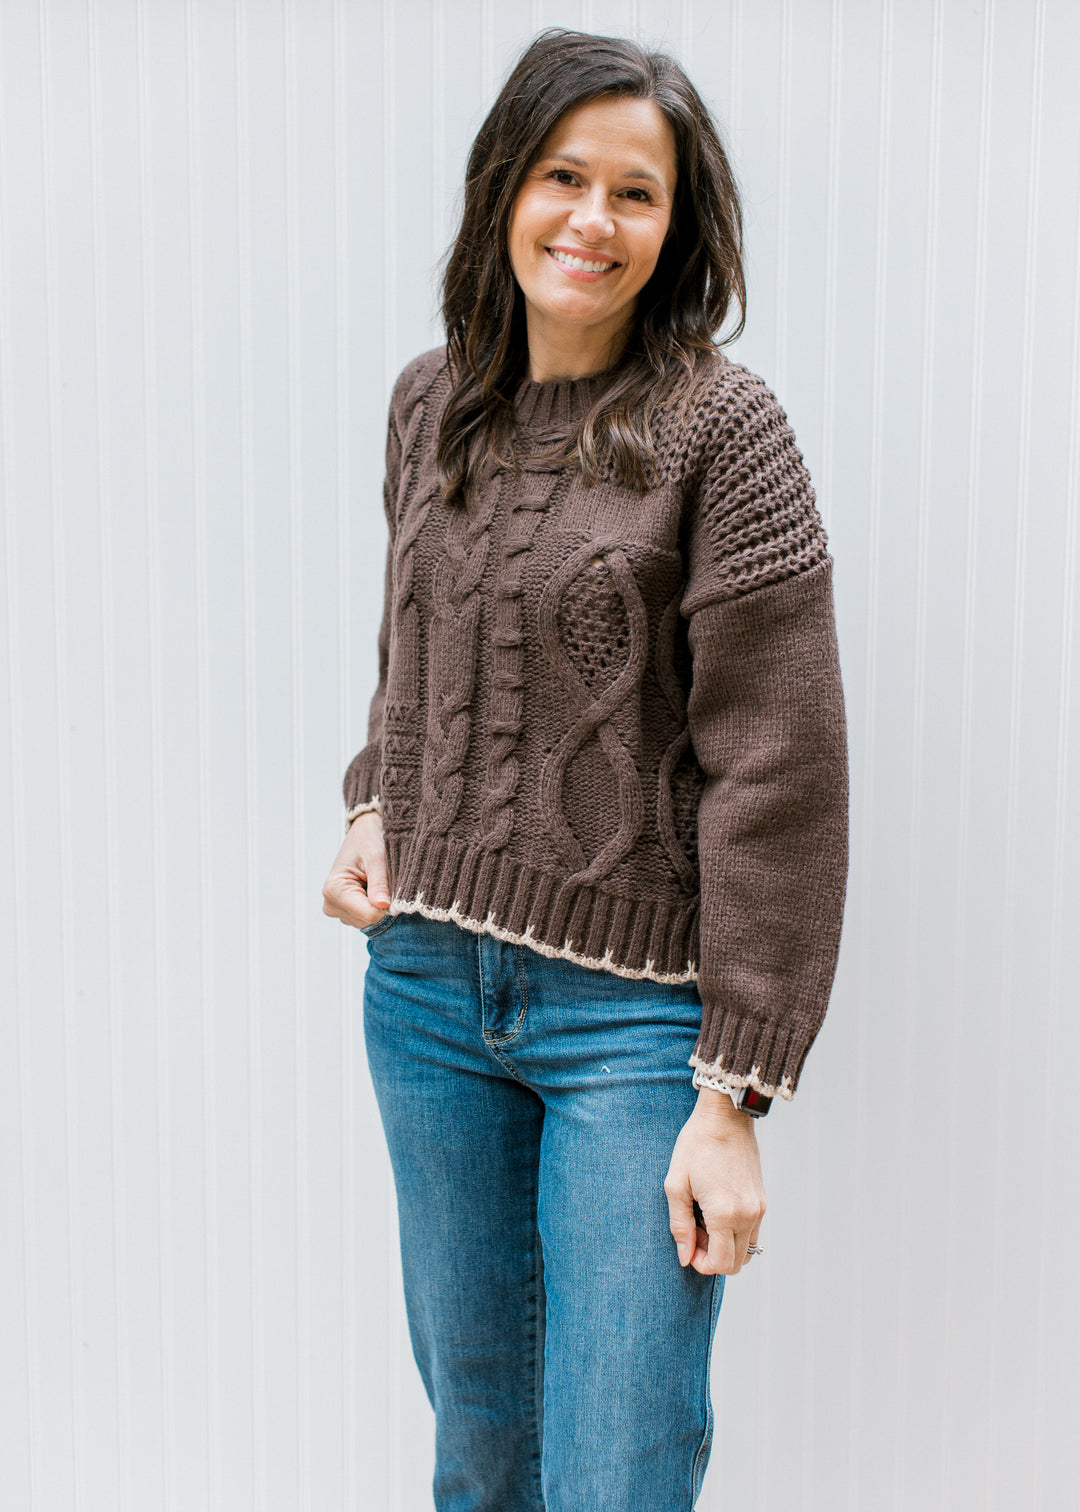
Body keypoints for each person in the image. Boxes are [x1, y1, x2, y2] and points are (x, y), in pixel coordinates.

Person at [322, 27, 848, 1512]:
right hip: (423, 994)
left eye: (638, 192)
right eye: (565, 175)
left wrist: (736, 1090)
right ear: (506, 187)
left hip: (632, 1030)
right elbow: (417, 657)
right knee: (480, 1450)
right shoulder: (431, 403)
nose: (592, 221)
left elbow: (782, 769)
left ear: (679, 227)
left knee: (615, 1466)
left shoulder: (723, 434)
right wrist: (375, 799)